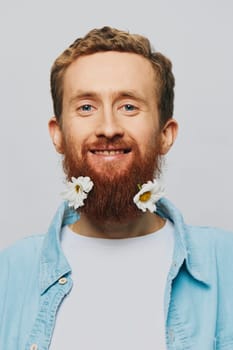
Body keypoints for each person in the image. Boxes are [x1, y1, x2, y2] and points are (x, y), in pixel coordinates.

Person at [0, 26, 233, 350]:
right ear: (58, 134)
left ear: (165, 134)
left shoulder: (227, 264)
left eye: (128, 106)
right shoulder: (8, 273)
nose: (108, 128)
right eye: (86, 107)